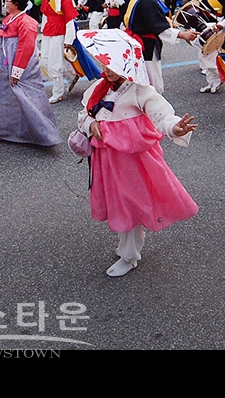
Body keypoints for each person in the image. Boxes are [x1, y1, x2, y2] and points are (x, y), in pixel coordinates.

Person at [72, 29, 198, 278]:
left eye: (112, 65)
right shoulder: (99, 88)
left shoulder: (140, 90)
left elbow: (161, 115)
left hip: (132, 160)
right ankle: (126, 247)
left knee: (130, 202)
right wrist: (91, 125)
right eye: (105, 63)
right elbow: (83, 116)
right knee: (118, 201)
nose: (106, 69)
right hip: (107, 158)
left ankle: (129, 256)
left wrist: (175, 127)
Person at [0, 0, 59, 146]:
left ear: (16, 3)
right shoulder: (11, 18)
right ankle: (0, 130)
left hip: (20, 67)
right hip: (5, 65)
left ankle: (42, 133)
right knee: (2, 97)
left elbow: (25, 48)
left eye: (7, 1)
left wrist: (16, 72)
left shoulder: (27, 22)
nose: (5, 4)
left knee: (27, 98)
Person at [38, 0, 81, 104]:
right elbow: (45, 13)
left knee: (55, 64)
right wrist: (42, 31)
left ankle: (58, 92)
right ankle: (71, 75)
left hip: (60, 32)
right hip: (48, 31)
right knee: (44, 61)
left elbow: (69, 19)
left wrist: (68, 41)